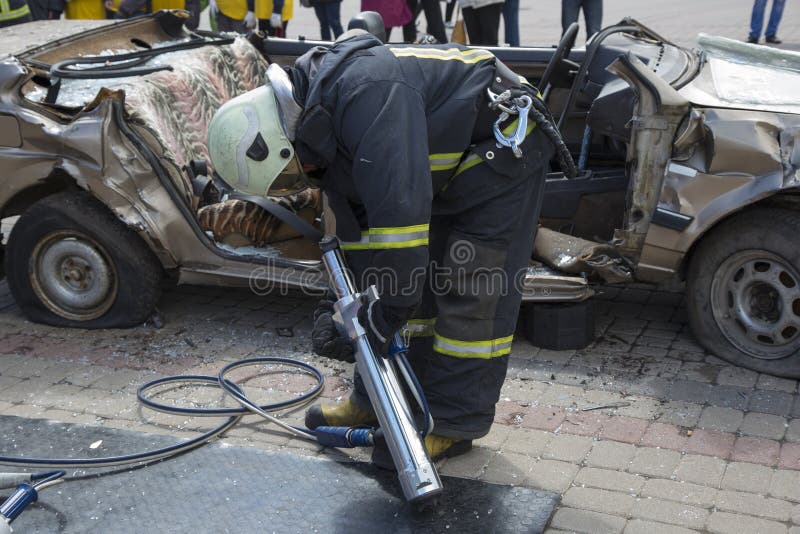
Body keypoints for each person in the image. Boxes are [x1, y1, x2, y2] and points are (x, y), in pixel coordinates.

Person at [208, 28, 573, 463]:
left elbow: (401, 229)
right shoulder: (317, 126)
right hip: (450, 165)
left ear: (282, 143)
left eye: (292, 172)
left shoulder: (367, 97)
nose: (302, 175)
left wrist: (386, 312)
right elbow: (357, 240)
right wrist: (336, 306)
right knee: (397, 287)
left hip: (503, 150)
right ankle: (376, 400)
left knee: (473, 293)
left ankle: (454, 423)